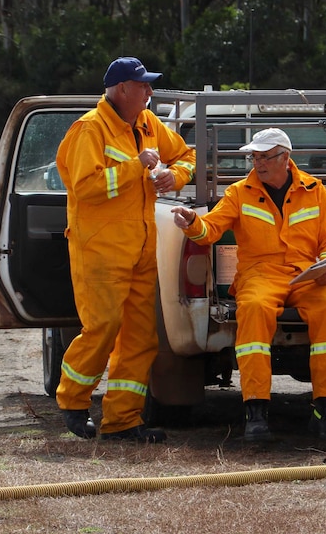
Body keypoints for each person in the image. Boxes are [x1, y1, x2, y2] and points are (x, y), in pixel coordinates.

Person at [171, 128, 326, 442]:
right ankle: (256, 412)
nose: (258, 163)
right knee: (252, 310)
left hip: (307, 274)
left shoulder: (314, 188)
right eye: (254, 156)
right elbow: (211, 229)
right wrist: (191, 223)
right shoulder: (240, 191)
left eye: (265, 156)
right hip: (260, 275)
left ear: (285, 157)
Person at [55, 56, 196, 442]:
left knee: (141, 338)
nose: (150, 92)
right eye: (144, 86)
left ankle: (123, 421)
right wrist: (137, 166)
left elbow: (188, 155)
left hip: (140, 250)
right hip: (100, 251)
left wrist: (174, 175)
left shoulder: (149, 123)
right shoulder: (89, 129)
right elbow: (85, 188)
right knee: (102, 328)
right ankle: (73, 402)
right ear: (122, 90)